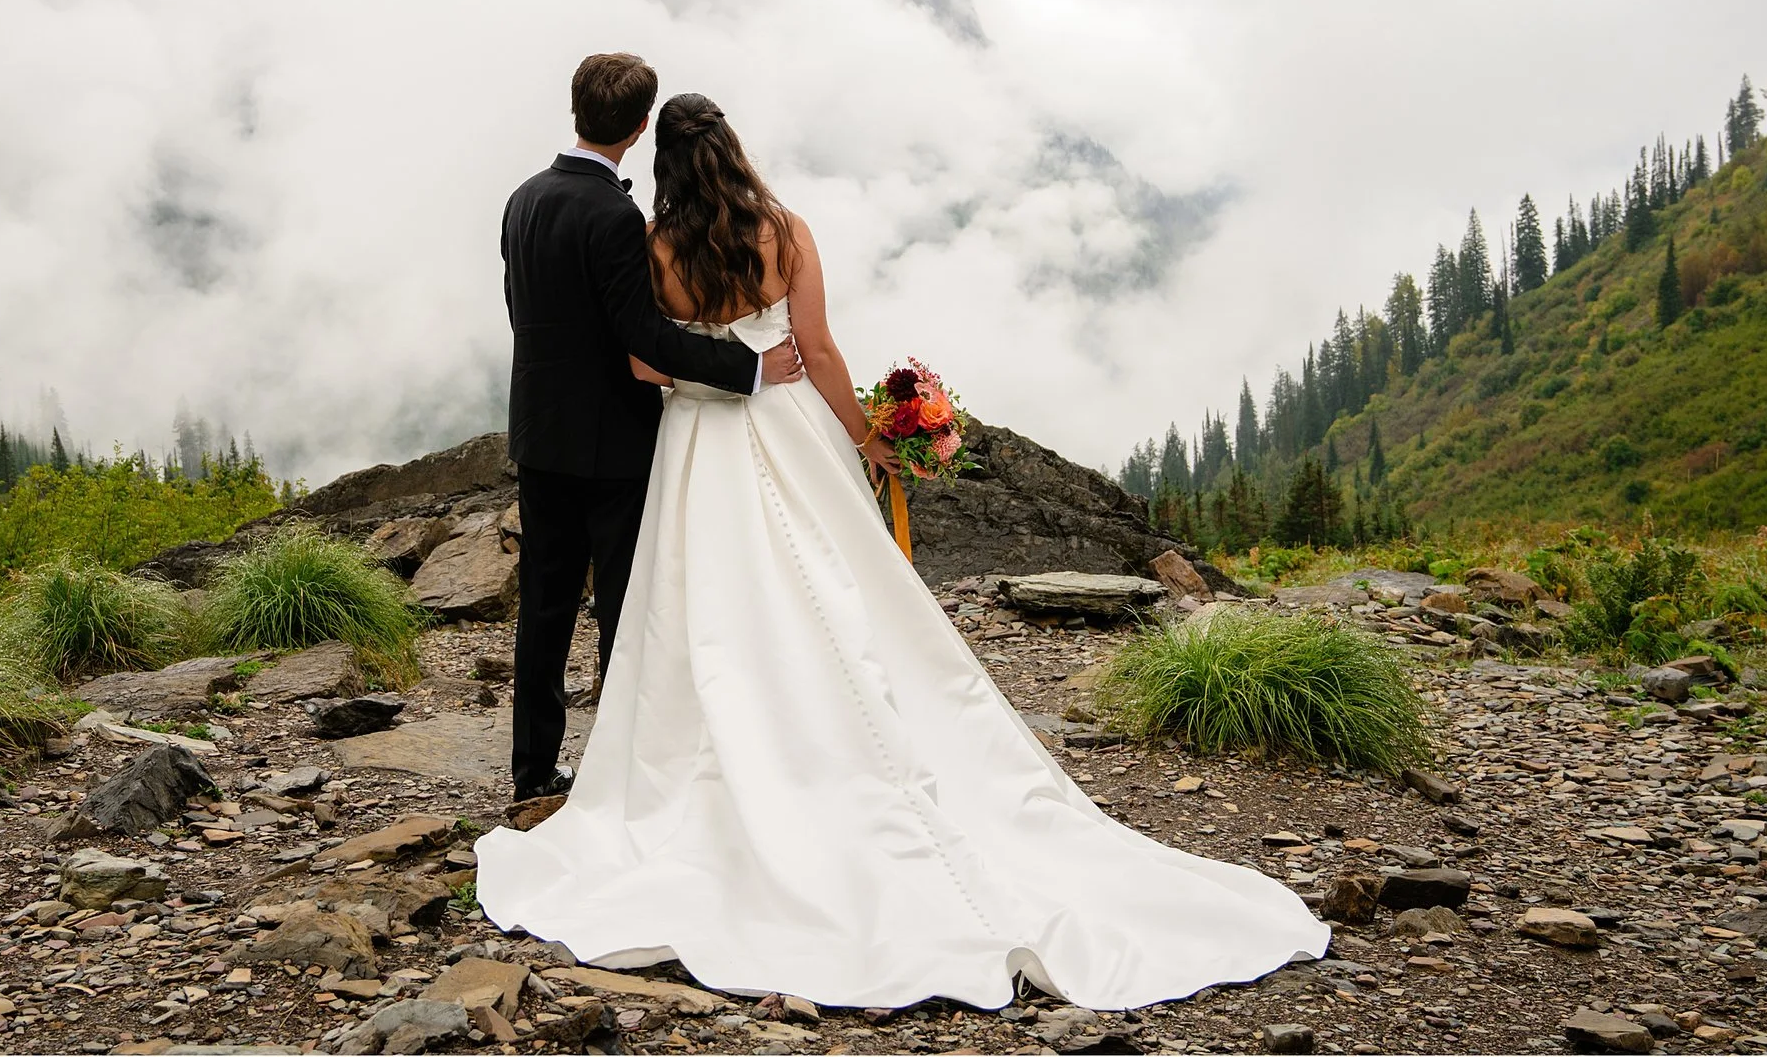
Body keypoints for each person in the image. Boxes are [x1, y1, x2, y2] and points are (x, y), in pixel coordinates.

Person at [478, 92, 1330, 1011]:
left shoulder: (657, 248)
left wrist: (701, 372)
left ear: (664, 162)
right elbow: (818, 349)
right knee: (838, 585)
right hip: (789, 427)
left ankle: (689, 757)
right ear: (730, 147)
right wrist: (865, 436)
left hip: (695, 443)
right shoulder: (785, 231)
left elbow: (645, 360)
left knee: (698, 602)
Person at [498, 54, 806, 804]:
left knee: (543, 606)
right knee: (624, 608)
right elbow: (644, 337)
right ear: (639, 129)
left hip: (539, 433)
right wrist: (751, 368)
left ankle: (532, 770)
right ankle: (620, 764)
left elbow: (522, 311)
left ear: (576, 108)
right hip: (613, 441)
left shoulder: (522, 199)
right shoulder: (615, 217)